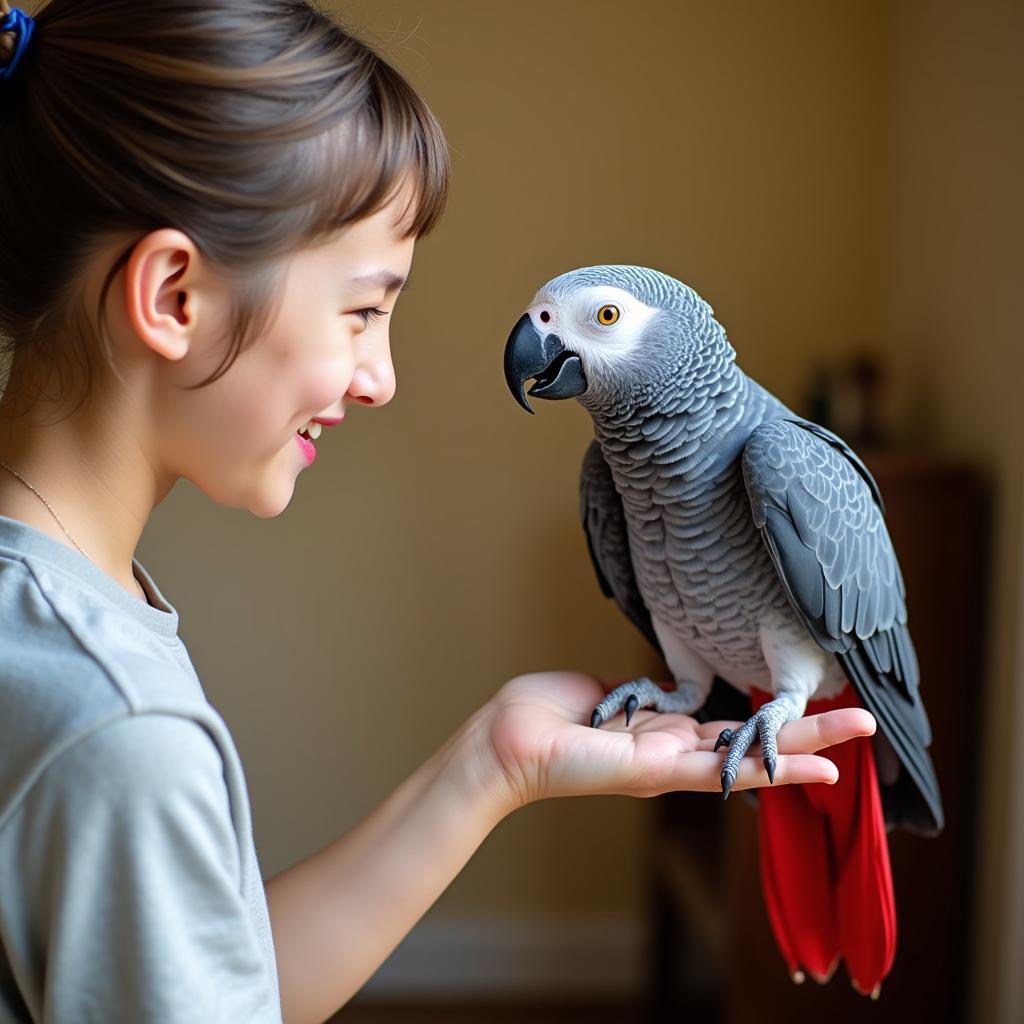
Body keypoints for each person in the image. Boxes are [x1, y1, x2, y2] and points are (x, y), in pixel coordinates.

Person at [0, 2, 876, 1022]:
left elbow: (202, 978)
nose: (382, 378)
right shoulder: (118, 721)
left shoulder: (66, 625)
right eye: (365, 310)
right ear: (175, 296)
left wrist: (491, 766)